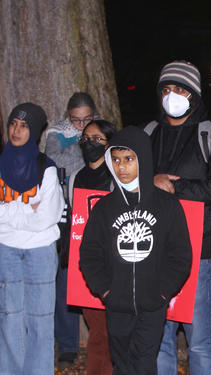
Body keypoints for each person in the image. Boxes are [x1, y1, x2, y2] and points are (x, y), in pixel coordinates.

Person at [146, 60, 211, 375]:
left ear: (194, 96)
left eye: (180, 89)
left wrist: (174, 186)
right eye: (166, 90)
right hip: (153, 250)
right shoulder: (149, 134)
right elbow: (127, 180)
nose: (172, 95)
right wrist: (149, 181)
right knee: (159, 335)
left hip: (198, 252)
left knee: (198, 336)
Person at [79, 125, 192, 374]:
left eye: (129, 159)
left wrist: (163, 292)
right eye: (116, 160)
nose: (122, 167)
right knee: (122, 363)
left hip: (152, 303)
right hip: (116, 303)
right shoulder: (104, 208)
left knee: (143, 363)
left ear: (142, 159)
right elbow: (89, 254)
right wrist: (105, 290)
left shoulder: (167, 206)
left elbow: (180, 255)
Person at [0, 103, 64, 374]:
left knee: (40, 320)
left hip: (40, 250)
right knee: (9, 318)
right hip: (6, 249)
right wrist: (28, 208)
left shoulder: (46, 169)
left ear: (35, 131)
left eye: (24, 126)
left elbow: (47, 215)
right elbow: (34, 213)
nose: (17, 130)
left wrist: (8, 211)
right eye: (13, 123)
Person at [43, 91, 99, 367]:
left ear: (95, 115)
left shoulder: (101, 131)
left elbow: (101, 162)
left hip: (96, 211)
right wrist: (84, 144)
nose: (81, 125)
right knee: (63, 278)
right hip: (65, 214)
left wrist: (82, 148)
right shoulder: (56, 132)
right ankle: (67, 344)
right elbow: (56, 163)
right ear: (68, 117)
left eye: (87, 119)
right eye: (76, 120)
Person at [71, 119, 117, 375]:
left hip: (114, 263)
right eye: (86, 138)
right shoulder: (76, 177)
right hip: (86, 265)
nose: (91, 143)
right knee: (98, 329)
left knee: (111, 331)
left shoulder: (117, 177)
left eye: (98, 138)